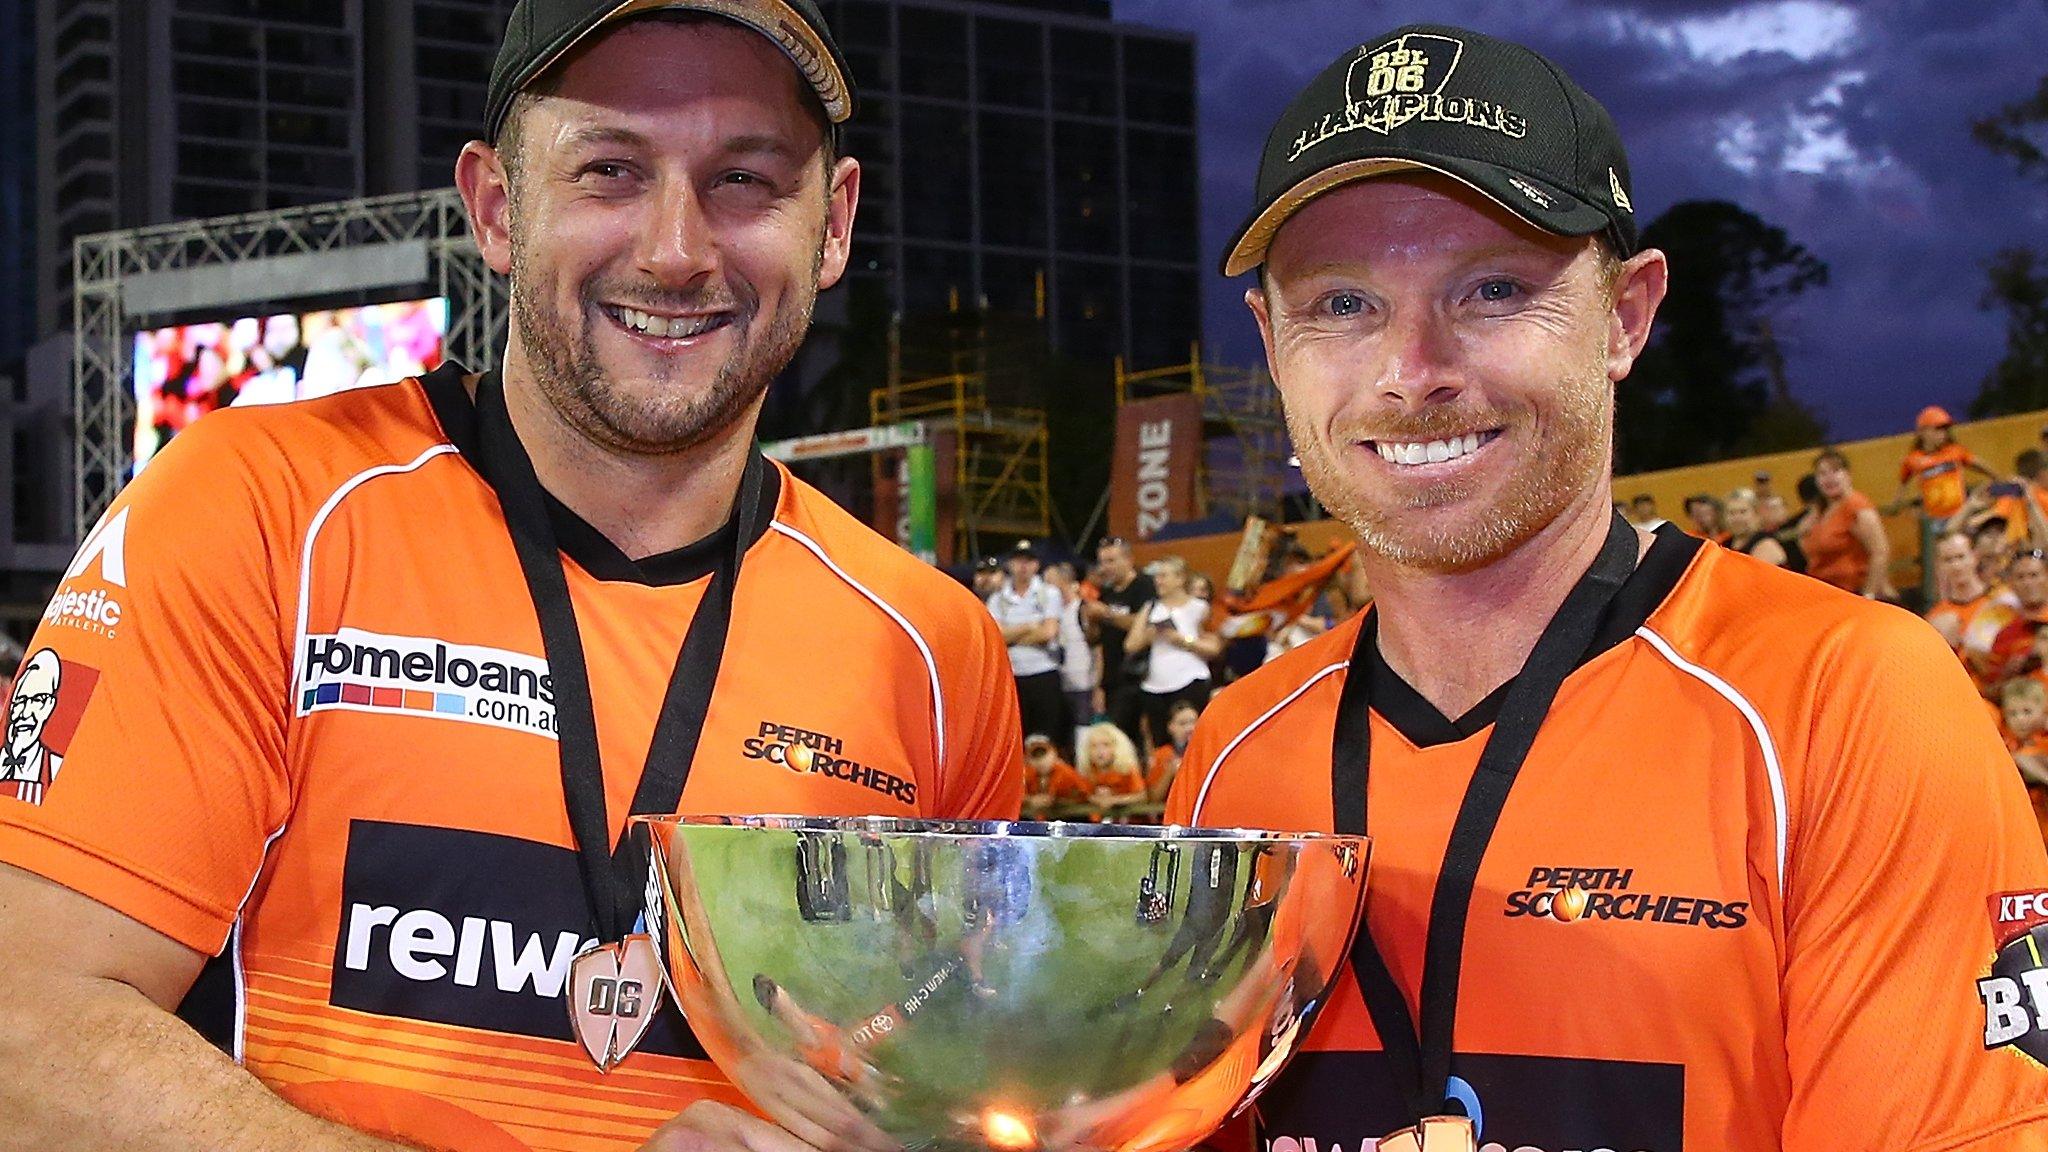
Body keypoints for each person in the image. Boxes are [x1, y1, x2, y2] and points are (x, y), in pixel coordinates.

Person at [0, 6, 1027, 1152]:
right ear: (497, 207)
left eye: (743, 177)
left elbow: (948, 1092)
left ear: (830, 224)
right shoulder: (260, 509)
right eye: (609, 170)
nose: (676, 250)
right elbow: (26, 1040)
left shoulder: (932, 651)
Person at [1171, 23, 2047, 1152]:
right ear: (1270, 339)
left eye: (1490, 290)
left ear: (1625, 316)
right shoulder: (1236, 753)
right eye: (1340, 305)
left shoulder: (1840, 701)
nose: (1411, 372)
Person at [1124, 556, 1222, 751]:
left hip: (1190, 680)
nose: (1158, 581)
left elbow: (1214, 647)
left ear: (1179, 579)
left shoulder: (1199, 608)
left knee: (1194, 742)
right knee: (1162, 746)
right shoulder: (1151, 608)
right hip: (1155, 687)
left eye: (1164, 576)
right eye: (1157, 576)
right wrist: (1150, 633)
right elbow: (1130, 645)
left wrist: (1182, 640)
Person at [985, 539, 1066, 748]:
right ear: (1010, 564)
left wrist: (1012, 636)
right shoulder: (998, 598)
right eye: (1019, 561)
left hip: (1043, 672)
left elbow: (1049, 632)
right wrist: (1029, 626)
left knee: (1045, 738)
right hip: (1012, 674)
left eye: (1028, 561)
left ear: (1036, 565)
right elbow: (996, 637)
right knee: (1014, 738)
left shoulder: (1049, 593)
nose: (1023, 566)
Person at [1081, 537, 1156, 748]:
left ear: (1129, 559)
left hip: (1141, 675)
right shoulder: (1106, 592)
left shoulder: (1144, 585)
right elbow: (1098, 643)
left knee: (1141, 737)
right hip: (1113, 678)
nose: (1105, 568)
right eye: (1102, 562)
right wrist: (1091, 622)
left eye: (1111, 561)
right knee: (1118, 739)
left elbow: (1144, 623)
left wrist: (1106, 614)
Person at [1801, 448, 1896, 599]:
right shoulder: (1821, 511)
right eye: (1822, 473)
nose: (1829, 478)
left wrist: (1868, 594)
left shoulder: (1856, 506)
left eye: (1835, 471)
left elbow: (1880, 551)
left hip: (1853, 593)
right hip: (1827, 595)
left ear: (1847, 474)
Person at [1886, 406, 1996, 529]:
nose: (1942, 434)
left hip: (1961, 515)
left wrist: (1997, 477)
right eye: (1938, 429)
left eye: (1945, 429)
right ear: (1923, 431)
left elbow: (1978, 464)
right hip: (1934, 521)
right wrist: (1894, 509)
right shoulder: (1912, 460)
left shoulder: (1955, 451)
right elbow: (1902, 485)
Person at [1044, 560, 1097, 755]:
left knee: (1083, 731)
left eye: (1050, 582)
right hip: (1060, 680)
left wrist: (1098, 684)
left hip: (1083, 681)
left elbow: (1097, 648)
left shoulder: (1082, 608)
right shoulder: (1053, 613)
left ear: (1063, 581)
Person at [1078, 721, 1147, 814]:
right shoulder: (1088, 772)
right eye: (1094, 746)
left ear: (1117, 747)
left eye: (1106, 745)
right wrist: (1095, 799)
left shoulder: (1127, 770)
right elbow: (1082, 794)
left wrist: (1114, 800)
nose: (1099, 751)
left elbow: (1141, 796)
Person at [1147, 698, 1201, 802]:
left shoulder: (1206, 751)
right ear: (1170, 727)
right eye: (1183, 723)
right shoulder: (1161, 754)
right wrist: (1169, 772)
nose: (1190, 728)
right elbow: (1153, 797)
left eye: (1194, 722)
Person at [1721, 488, 1787, 567]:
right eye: (1732, 513)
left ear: (1756, 515)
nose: (1737, 518)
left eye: (1743, 512)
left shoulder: (1767, 545)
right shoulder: (1724, 544)